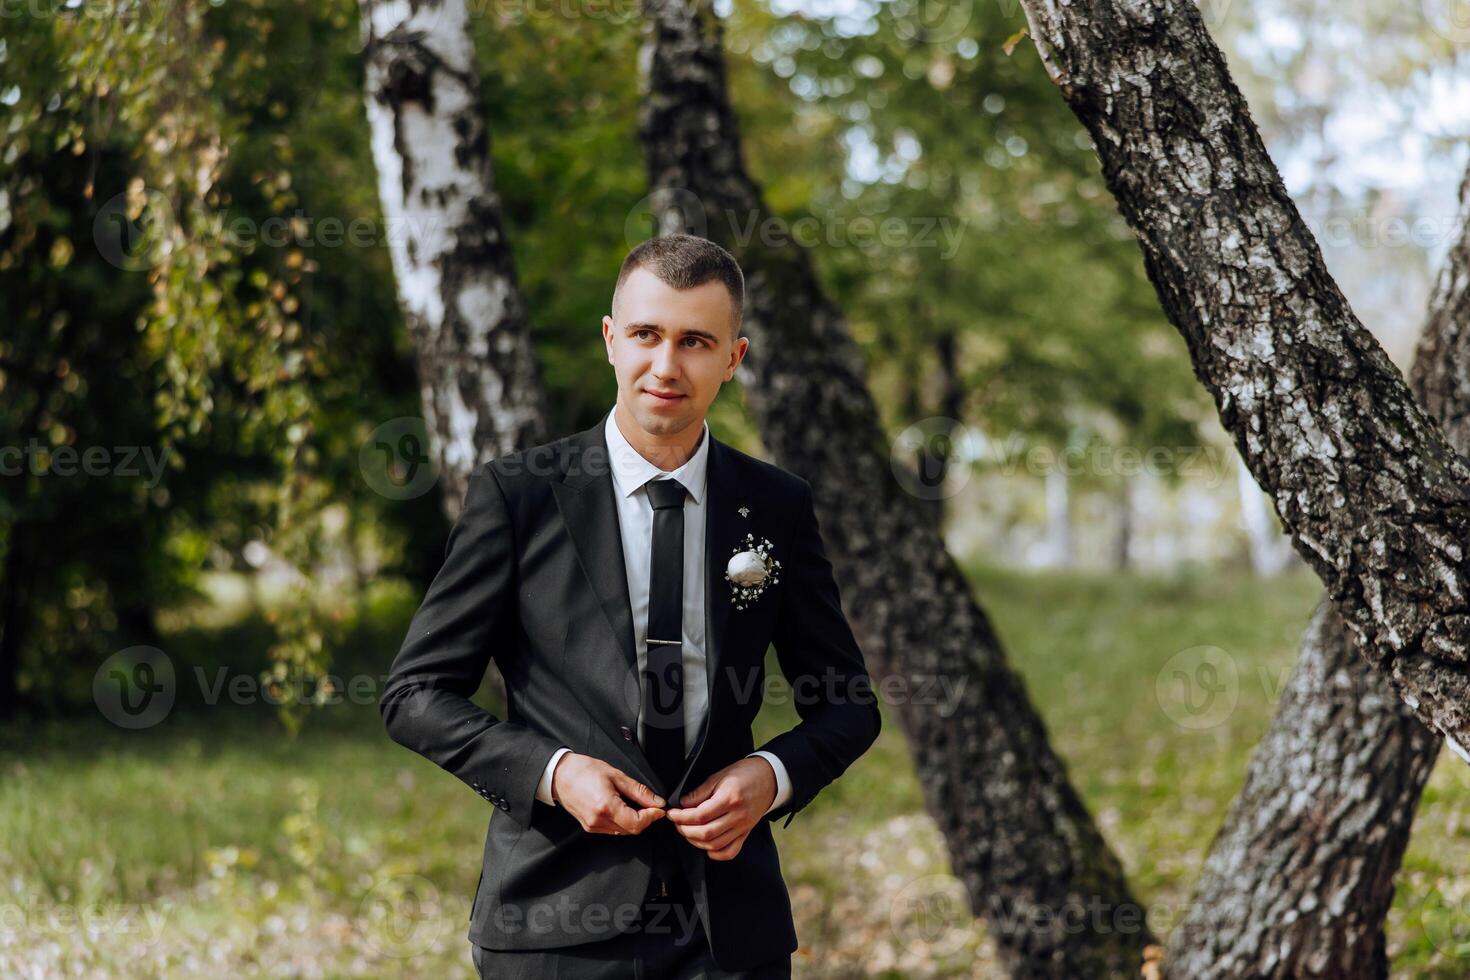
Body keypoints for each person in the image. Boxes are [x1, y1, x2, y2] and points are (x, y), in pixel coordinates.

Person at [380, 234, 882, 978]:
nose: (666, 365)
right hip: (553, 918)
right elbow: (414, 695)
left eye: (695, 342)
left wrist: (769, 775)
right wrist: (553, 772)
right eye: (646, 334)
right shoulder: (519, 496)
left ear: (733, 359)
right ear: (612, 340)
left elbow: (848, 704)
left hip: (727, 929)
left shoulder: (776, 505)